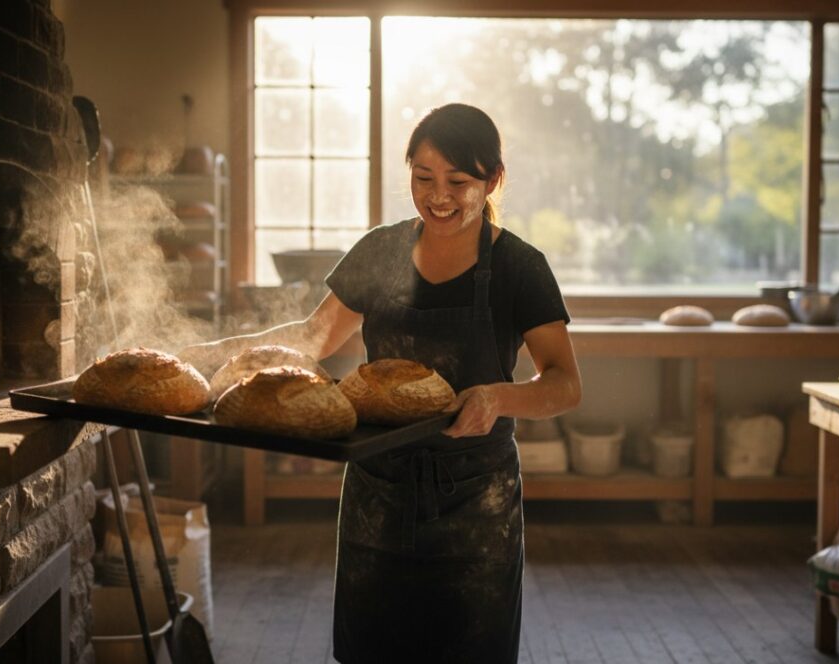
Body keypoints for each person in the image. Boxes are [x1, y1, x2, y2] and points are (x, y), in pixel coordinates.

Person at [180, 103, 581, 663]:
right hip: (379, 492)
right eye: (422, 178)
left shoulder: (520, 267)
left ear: (493, 179)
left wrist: (498, 397)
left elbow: (564, 384)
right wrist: (209, 356)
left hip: (476, 500)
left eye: (457, 182)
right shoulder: (381, 251)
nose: (438, 196)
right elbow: (313, 335)